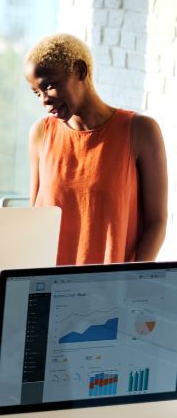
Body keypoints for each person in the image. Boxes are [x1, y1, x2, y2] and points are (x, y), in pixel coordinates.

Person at [26, 34, 167, 266]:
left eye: (48, 86)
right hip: (51, 289)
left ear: (80, 71)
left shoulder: (141, 131)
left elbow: (157, 222)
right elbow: (36, 219)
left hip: (115, 290)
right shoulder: (41, 133)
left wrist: (134, 280)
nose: (43, 100)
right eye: (36, 92)